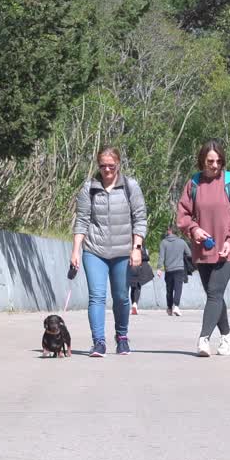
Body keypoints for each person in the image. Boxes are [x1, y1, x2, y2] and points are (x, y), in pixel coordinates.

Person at [71, 146, 148, 357]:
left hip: (124, 251)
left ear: (118, 165)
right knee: (96, 296)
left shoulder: (130, 186)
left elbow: (140, 218)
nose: (107, 170)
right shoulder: (89, 188)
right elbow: (82, 220)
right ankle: (98, 342)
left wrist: (137, 248)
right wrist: (76, 251)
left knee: (122, 297)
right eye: (103, 166)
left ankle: (122, 337)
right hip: (95, 250)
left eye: (111, 166)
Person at [175, 140, 230, 357]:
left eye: (218, 161)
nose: (214, 165)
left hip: (229, 249)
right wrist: (194, 229)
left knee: (214, 292)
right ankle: (227, 336)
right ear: (202, 161)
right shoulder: (194, 184)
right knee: (213, 295)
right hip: (203, 250)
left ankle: (203, 339)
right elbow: (183, 215)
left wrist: (229, 240)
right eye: (210, 161)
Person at [156, 226, 192, 316]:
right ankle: (176, 306)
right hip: (179, 269)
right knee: (178, 289)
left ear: (170, 231)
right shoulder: (182, 242)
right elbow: (189, 254)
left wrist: (159, 268)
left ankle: (169, 308)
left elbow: (161, 257)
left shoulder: (163, 242)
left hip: (169, 270)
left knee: (169, 290)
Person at [127, 245, 153, 315]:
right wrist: (147, 257)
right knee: (137, 287)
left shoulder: (126, 240)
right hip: (138, 266)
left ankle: (127, 305)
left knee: (131, 287)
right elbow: (144, 255)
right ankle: (135, 304)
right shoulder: (139, 243)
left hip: (128, 266)